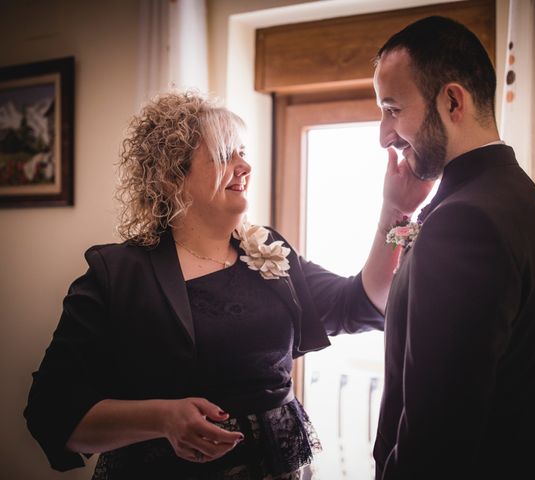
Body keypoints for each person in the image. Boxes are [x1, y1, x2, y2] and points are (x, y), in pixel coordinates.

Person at [24, 91, 431, 479]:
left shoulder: (268, 251)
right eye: (224, 154)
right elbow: (51, 411)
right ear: (171, 178)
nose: (244, 166)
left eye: (242, 153)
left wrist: (395, 208)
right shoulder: (117, 274)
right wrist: (162, 419)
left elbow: (361, 300)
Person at [372, 16, 535, 480]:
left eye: (392, 109)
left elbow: (436, 437)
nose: (384, 135)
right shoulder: (519, 198)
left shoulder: (465, 223)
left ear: (452, 100)